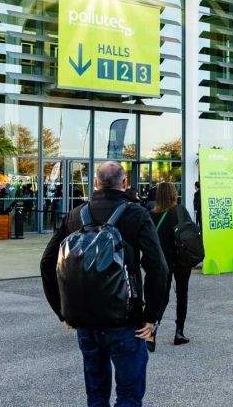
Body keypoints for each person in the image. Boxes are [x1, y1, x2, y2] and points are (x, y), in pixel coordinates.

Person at [40, 161, 168, 407]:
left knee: (96, 395)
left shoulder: (75, 215)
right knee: (129, 396)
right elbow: (157, 266)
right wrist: (151, 316)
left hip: (85, 321)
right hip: (126, 320)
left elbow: (47, 263)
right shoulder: (137, 214)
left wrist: (62, 312)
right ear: (125, 184)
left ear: (96, 183)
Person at [149, 182, 193, 350]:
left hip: (162, 261)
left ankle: (152, 332)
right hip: (181, 258)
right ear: (174, 194)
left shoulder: (151, 215)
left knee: (162, 296)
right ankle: (179, 332)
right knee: (182, 294)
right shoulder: (180, 211)